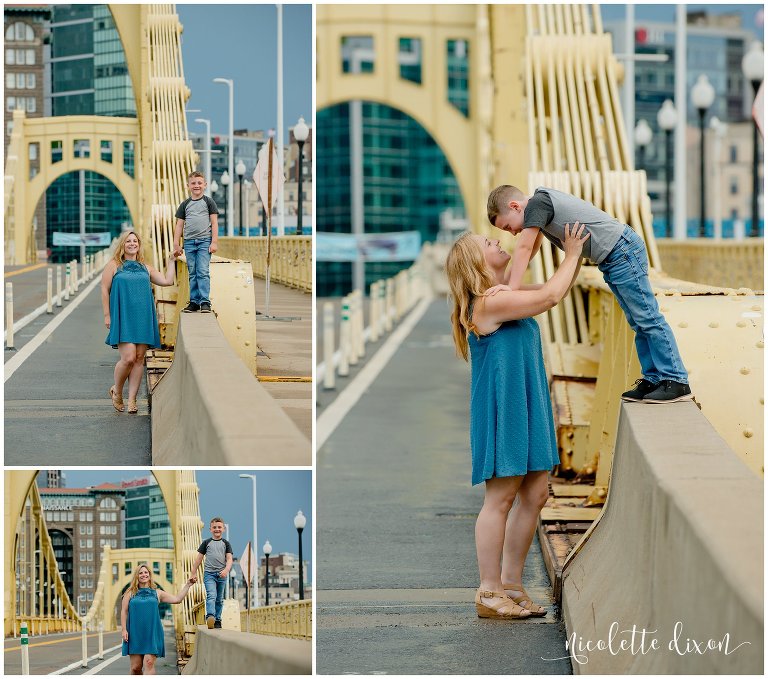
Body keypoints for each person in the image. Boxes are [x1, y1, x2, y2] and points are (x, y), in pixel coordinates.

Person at [446, 223, 590, 620]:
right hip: (503, 408)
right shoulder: (485, 303)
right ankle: (489, 590)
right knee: (501, 498)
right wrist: (574, 253)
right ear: (476, 263)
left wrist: (571, 250)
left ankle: (511, 584)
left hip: (527, 404)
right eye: (489, 243)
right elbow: (550, 296)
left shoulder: (504, 293)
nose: (497, 241)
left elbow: (551, 287)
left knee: (536, 493)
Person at [487, 184, 692, 404]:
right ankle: (654, 378)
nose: (513, 233)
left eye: (508, 226)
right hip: (613, 257)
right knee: (637, 321)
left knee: (647, 318)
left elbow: (524, 248)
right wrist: (505, 283)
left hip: (622, 251)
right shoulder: (540, 210)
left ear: (515, 206)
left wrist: (512, 288)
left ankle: (675, 378)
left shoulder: (538, 204)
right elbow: (532, 248)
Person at [102, 230, 176, 414]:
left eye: (135, 241)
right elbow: (104, 289)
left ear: (139, 245)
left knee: (139, 359)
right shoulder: (114, 265)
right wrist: (107, 315)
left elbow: (167, 281)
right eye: (128, 241)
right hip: (123, 315)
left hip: (143, 316)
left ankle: (133, 400)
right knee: (127, 358)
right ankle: (117, 391)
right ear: (122, 244)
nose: (132, 244)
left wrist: (172, 260)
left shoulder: (146, 267)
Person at [121, 563, 196, 675]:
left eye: (146, 572)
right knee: (136, 667)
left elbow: (177, 599)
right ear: (137, 576)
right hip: (135, 633)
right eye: (140, 573)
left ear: (150, 575)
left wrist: (188, 585)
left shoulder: (158, 593)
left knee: (149, 662)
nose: (143, 575)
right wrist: (124, 629)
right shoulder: (130, 593)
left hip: (152, 633)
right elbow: (124, 611)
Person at [173, 171, 219, 313]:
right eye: (193, 183)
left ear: (205, 185)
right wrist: (176, 244)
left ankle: (205, 301)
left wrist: (214, 242)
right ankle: (194, 301)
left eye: (199, 183)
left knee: (202, 271)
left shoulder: (208, 202)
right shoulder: (185, 204)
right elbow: (179, 225)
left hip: (205, 241)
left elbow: (214, 223)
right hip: (189, 242)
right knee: (192, 272)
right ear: (188, 186)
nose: (196, 185)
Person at [190, 517, 233, 629]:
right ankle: (210, 616)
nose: (217, 529)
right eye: (214, 527)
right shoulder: (206, 543)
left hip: (222, 575)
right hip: (209, 574)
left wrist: (226, 570)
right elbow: (198, 559)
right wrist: (193, 573)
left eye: (219, 527)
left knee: (219, 599)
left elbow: (229, 559)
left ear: (223, 529)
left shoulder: (226, 543)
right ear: (210, 529)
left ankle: (218, 620)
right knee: (211, 595)